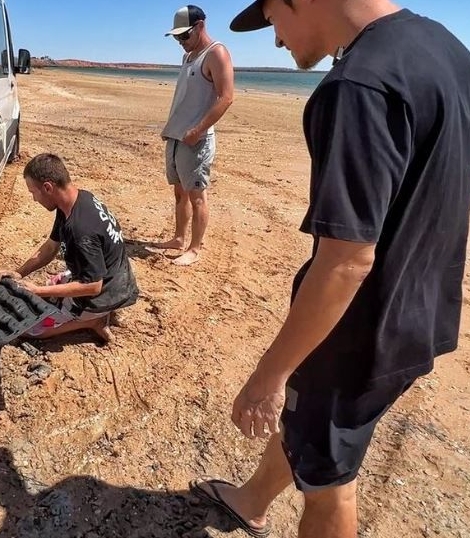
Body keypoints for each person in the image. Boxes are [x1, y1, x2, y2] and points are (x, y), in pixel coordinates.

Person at [188, 1, 470, 538]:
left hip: (357, 331)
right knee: (311, 424)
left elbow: (346, 261)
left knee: (329, 485)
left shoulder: (358, 85)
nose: (276, 40)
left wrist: (269, 375)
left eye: (273, 20)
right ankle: (251, 500)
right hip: (424, 309)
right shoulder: (448, 50)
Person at [0, 153, 139, 343]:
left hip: (104, 292)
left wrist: (38, 291)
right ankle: (82, 311)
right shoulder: (77, 200)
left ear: (48, 187)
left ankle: (92, 321)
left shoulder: (80, 230)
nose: (34, 199)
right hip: (115, 276)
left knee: (33, 329)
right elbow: (51, 247)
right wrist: (19, 273)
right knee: (53, 285)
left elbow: (93, 286)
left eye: (33, 192)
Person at [153, 5, 235, 266]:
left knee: (197, 195)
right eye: (176, 37)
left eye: (184, 35)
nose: (180, 41)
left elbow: (226, 97)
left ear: (200, 26)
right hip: (177, 136)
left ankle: (194, 249)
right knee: (179, 193)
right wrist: (173, 129)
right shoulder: (188, 56)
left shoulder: (216, 53)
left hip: (196, 139)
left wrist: (198, 130)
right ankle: (179, 238)